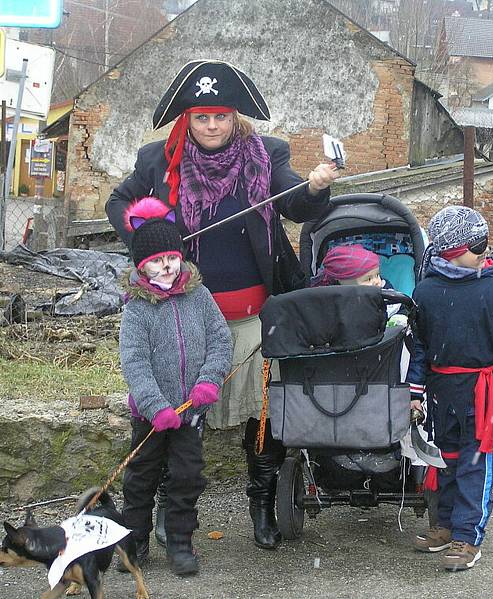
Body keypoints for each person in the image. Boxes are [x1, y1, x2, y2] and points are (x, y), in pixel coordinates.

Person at [106, 60, 340, 551]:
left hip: (256, 314)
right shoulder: (158, 161)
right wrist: (147, 240)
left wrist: (316, 185)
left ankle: (262, 504)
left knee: (264, 413)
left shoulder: (268, 154)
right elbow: (119, 203)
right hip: (182, 315)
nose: (211, 126)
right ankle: (173, 510)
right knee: (176, 408)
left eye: (221, 117)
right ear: (186, 120)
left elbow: (295, 204)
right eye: (201, 118)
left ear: (236, 118)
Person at [406, 206, 493, 572]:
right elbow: (418, 346)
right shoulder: (427, 291)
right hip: (441, 391)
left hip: (484, 393)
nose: (486, 251)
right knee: (444, 461)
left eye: (486, 244)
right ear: (450, 251)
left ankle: (468, 537)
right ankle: (444, 526)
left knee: (474, 465)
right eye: (477, 245)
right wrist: (414, 392)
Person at [118, 196, 233, 576]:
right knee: (140, 480)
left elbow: (220, 340)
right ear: (142, 266)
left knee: (186, 477)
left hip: (190, 412)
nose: (166, 266)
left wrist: (207, 382)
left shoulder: (198, 296)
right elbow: (134, 362)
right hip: (152, 417)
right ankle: (134, 542)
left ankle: (181, 542)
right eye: (156, 261)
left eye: (171, 258)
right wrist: (155, 407)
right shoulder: (137, 308)